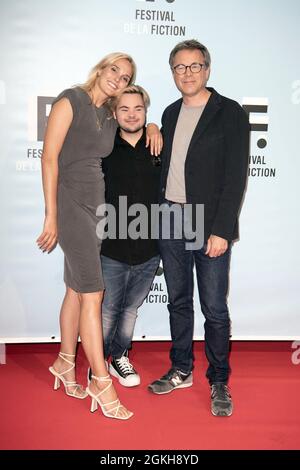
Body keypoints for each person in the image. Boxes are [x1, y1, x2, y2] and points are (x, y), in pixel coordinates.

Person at [37, 52, 161, 421]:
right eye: (114, 71)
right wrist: (51, 216)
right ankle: (102, 383)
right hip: (71, 205)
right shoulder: (70, 99)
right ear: (101, 68)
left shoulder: (109, 113)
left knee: (76, 290)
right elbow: (49, 158)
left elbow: (134, 124)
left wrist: (154, 128)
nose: (118, 79)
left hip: (97, 210)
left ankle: (64, 362)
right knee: (95, 294)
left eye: (125, 77)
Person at [148, 40, 250, 417]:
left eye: (195, 66)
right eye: (180, 67)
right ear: (172, 72)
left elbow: (235, 176)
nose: (187, 73)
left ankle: (219, 379)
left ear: (207, 69)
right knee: (178, 301)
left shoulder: (231, 113)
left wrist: (222, 229)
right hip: (171, 218)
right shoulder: (171, 113)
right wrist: (154, 124)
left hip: (208, 224)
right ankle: (181, 369)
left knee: (213, 307)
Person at [100, 85, 160, 387]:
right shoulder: (105, 147)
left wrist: (155, 128)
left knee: (131, 308)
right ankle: (99, 364)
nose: (132, 114)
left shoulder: (158, 146)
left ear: (146, 111)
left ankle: (119, 356)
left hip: (150, 249)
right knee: (109, 308)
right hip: (111, 246)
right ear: (114, 113)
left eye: (138, 109)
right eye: (124, 109)